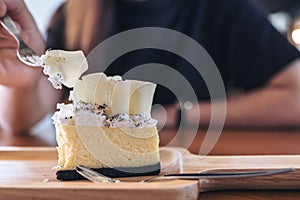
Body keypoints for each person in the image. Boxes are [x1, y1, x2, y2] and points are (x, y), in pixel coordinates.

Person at [0, 0, 300, 136]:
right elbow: (20, 123)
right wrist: (22, 81)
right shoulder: (75, 13)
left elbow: (295, 98)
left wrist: (175, 116)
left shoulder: (223, 9)